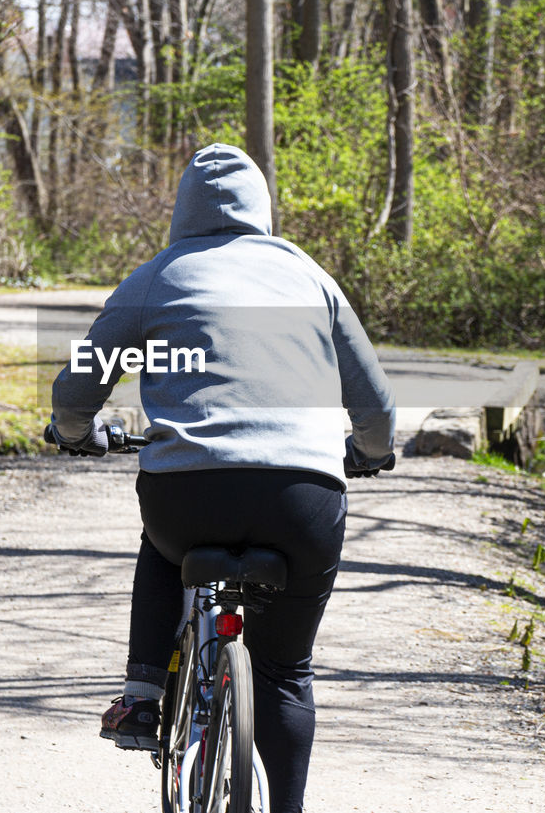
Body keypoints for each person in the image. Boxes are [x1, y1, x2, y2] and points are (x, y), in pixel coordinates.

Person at [49, 143, 395, 813]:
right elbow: (376, 403)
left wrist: (72, 432)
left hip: (191, 497)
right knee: (286, 672)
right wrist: (368, 450)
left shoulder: (158, 274)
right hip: (303, 497)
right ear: (261, 208)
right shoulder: (308, 276)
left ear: (183, 209)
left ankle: (145, 698)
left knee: (162, 542)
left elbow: (79, 386)